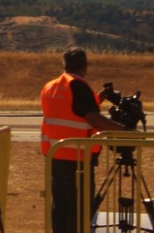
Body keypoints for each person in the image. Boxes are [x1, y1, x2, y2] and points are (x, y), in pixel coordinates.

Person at [41, 47, 125, 233]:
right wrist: (125, 131)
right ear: (85, 66)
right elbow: (93, 119)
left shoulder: (51, 86)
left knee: (61, 206)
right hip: (77, 157)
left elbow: (70, 111)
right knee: (79, 210)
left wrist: (96, 100)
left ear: (64, 65)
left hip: (55, 155)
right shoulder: (78, 86)